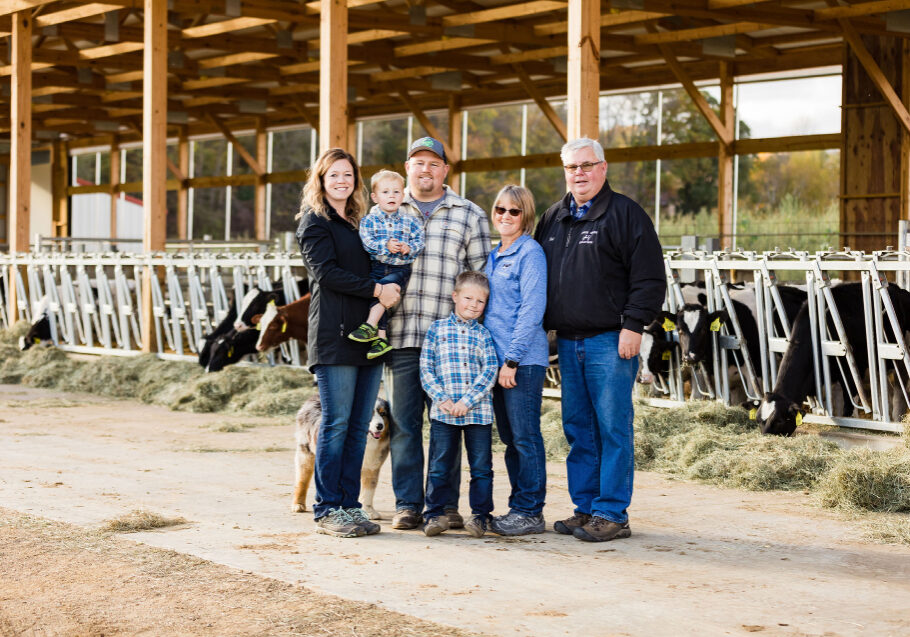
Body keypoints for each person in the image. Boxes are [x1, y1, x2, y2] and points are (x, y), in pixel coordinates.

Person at [534, 137, 665, 542]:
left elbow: (648, 276)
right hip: (569, 342)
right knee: (579, 428)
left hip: (611, 340)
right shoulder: (554, 218)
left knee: (612, 427)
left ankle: (612, 513)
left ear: (603, 168)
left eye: (587, 166)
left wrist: (634, 325)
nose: (580, 174)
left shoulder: (625, 214)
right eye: (572, 167)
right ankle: (586, 507)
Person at [385, 136, 492, 531]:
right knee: (405, 425)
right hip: (400, 335)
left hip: (452, 344)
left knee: (447, 426)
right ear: (407, 168)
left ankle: (444, 506)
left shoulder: (469, 214)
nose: (425, 170)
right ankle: (408, 504)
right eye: (418, 163)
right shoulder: (388, 209)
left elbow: (482, 279)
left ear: (446, 170)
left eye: (433, 163)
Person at [296, 147, 401, 538]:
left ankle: (349, 505)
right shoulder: (315, 223)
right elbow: (327, 274)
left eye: (348, 175)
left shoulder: (361, 221)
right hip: (334, 336)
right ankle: (327, 508)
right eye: (333, 175)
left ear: (356, 180)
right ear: (321, 181)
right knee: (336, 424)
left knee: (358, 426)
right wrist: (378, 289)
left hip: (367, 336)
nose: (342, 181)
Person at [482, 185, 549, 537]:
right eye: (499, 210)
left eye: (514, 211)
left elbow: (532, 310)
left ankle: (530, 511)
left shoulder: (530, 253)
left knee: (525, 436)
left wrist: (512, 360)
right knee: (509, 438)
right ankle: (518, 507)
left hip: (520, 361)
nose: (505, 216)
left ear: (526, 216)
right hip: (496, 363)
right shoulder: (494, 255)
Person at [419, 271, 499, 538]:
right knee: (439, 465)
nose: (473, 305)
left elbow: (490, 370)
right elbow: (426, 368)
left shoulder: (484, 335)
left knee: (481, 467)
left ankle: (480, 516)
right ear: (455, 296)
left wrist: (467, 401)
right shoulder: (437, 329)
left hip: (478, 412)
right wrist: (442, 398)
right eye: (468, 298)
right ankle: (434, 514)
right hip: (444, 412)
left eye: (480, 301)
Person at [348, 169, 425, 360]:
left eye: (396, 192)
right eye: (385, 192)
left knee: (385, 290)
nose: (391, 195)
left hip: (400, 268)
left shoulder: (411, 221)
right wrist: (385, 245)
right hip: (378, 267)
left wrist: (410, 247)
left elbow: (420, 241)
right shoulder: (368, 221)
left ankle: (368, 326)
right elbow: (368, 243)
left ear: (403, 195)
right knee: (377, 298)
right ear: (375, 197)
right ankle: (381, 339)